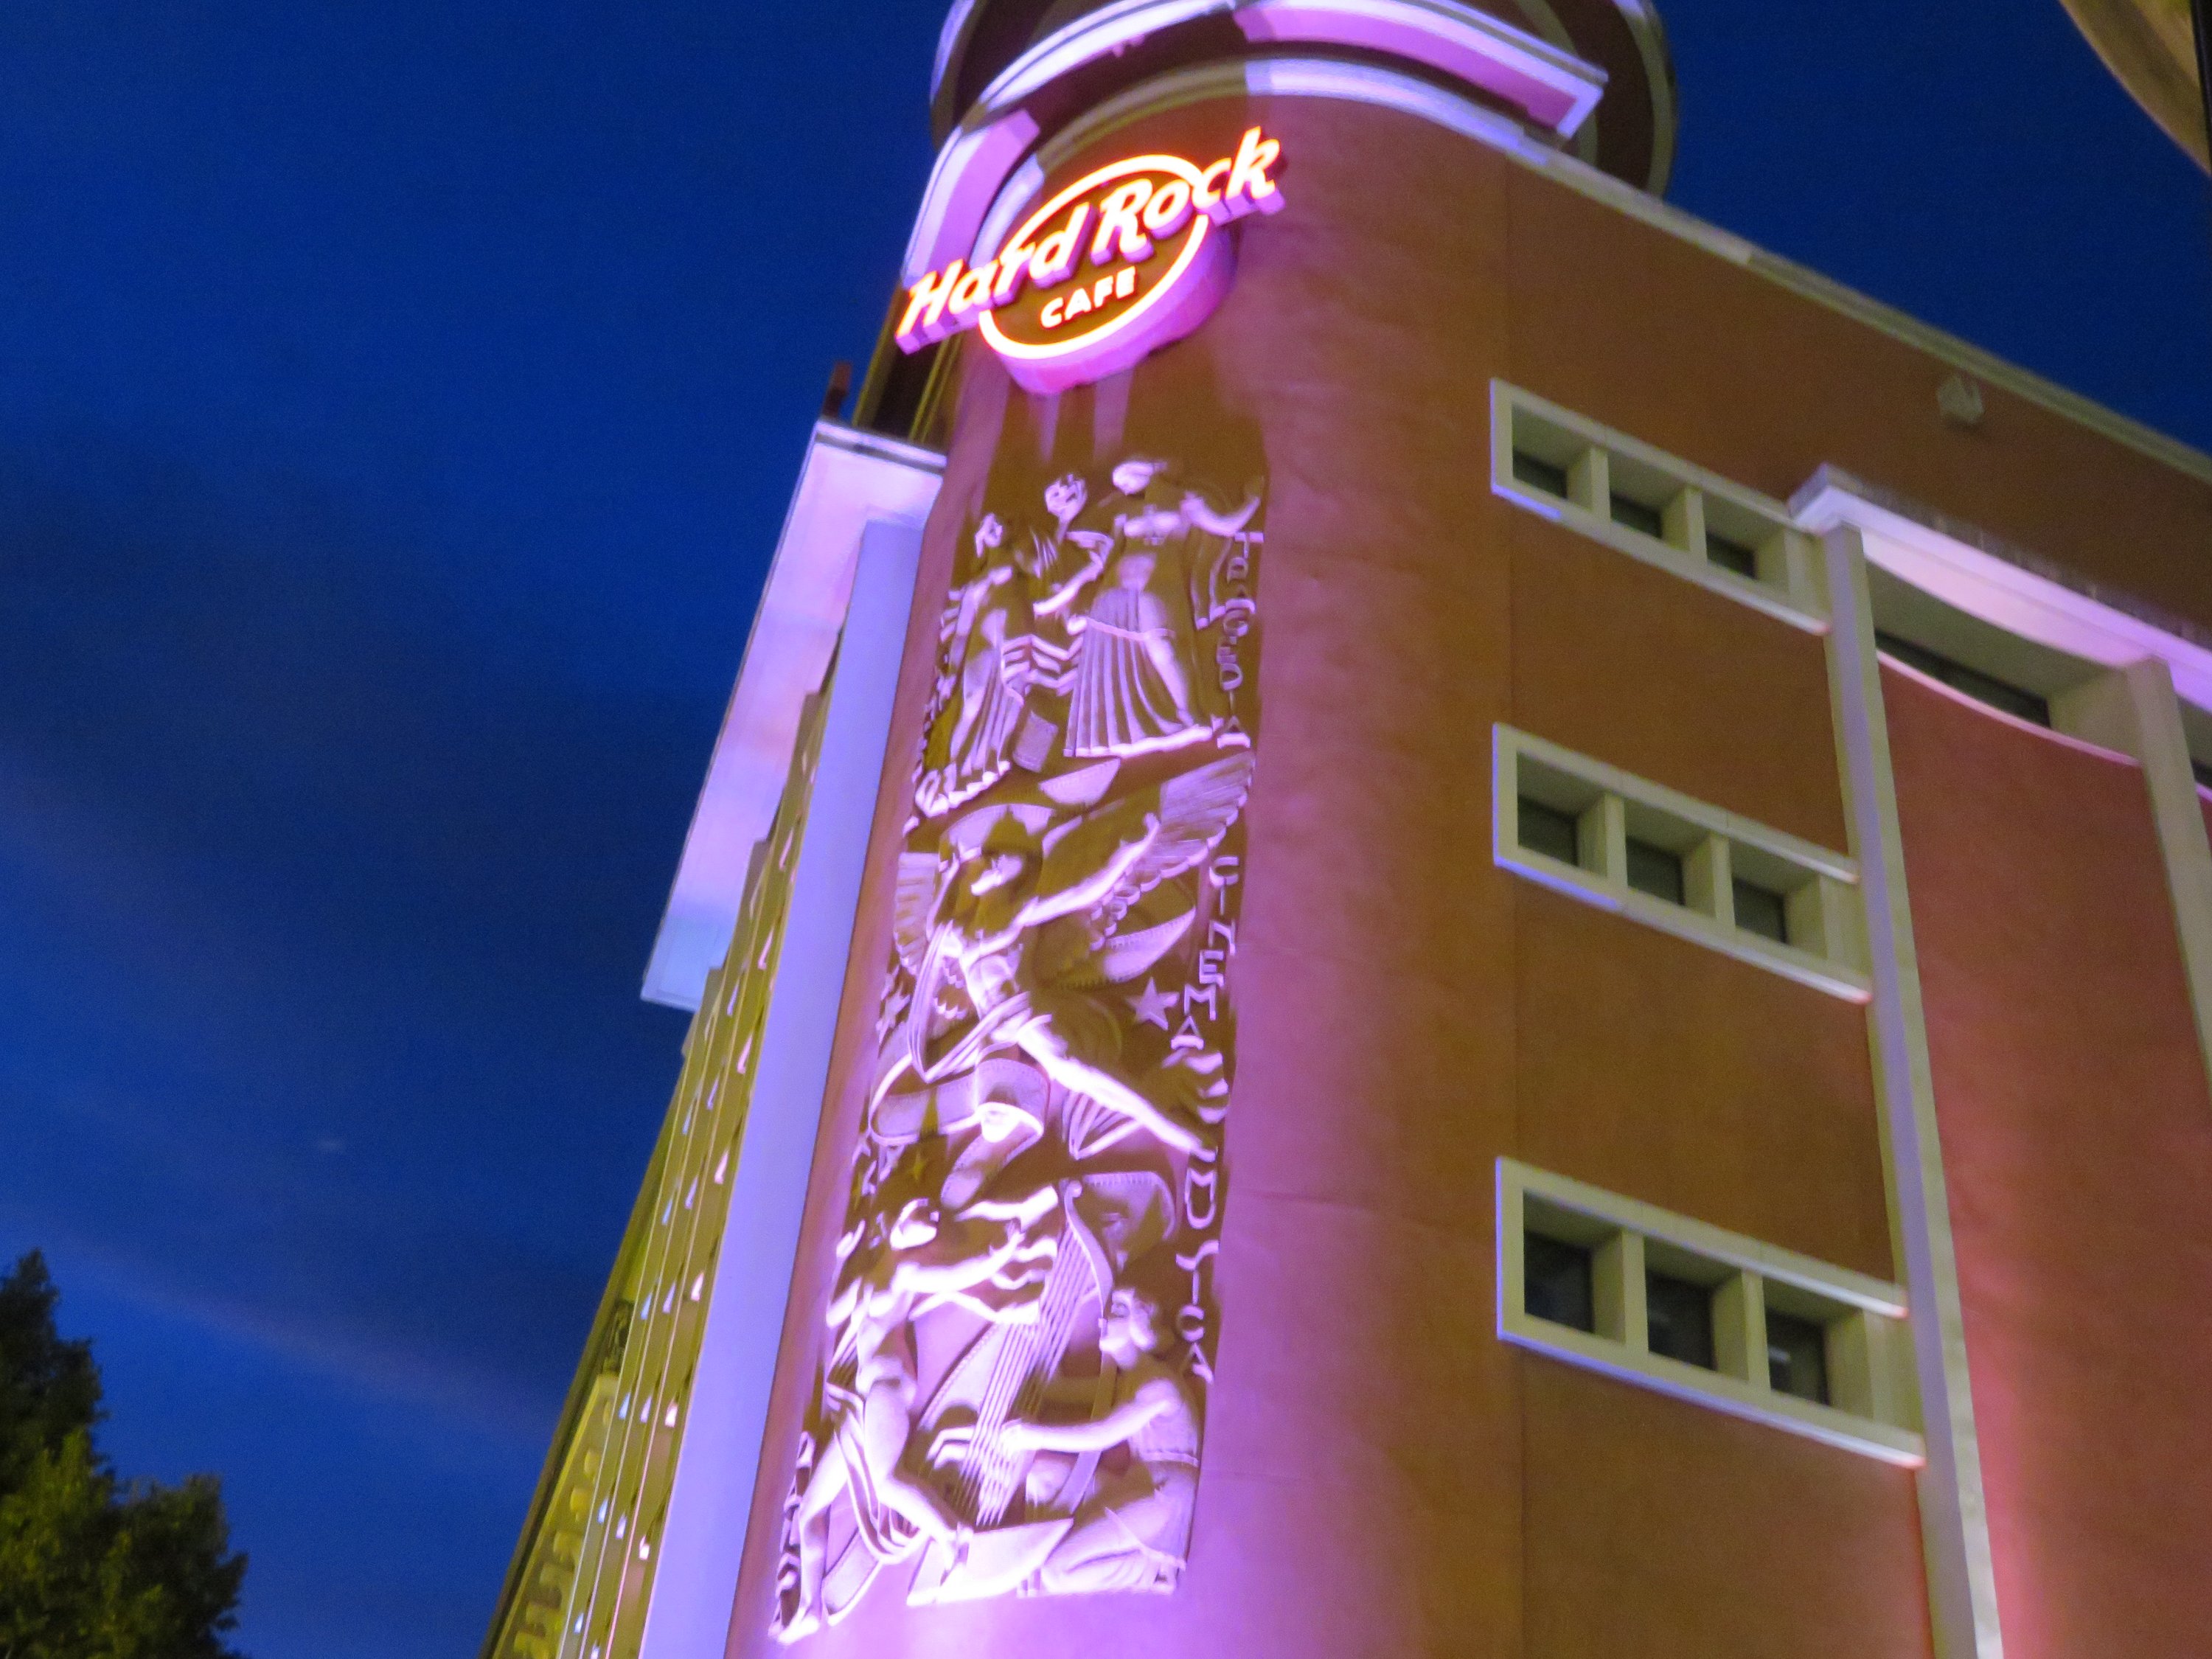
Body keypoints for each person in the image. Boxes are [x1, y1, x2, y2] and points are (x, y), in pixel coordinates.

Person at [782, 1196, 1053, 1641]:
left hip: (886, 1388)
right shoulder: (869, 1277)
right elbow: (833, 1313)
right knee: (811, 1508)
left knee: (888, 1481)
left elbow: (958, 1273)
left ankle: (952, 1535)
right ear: (897, 1221)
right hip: (860, 1403)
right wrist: (847, 1256)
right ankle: (811, 1607)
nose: (925, 1222)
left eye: (930, 1221)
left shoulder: (906, 1271)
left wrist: (999, 1253)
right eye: (919, 1214)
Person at [998, 1286, 1201, 1595]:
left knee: (1057, 1574)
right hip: (1135, 1481)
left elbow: (1101, 1434)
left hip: (1164, 1492)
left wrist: (1032, 1435)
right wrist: (1026, 1344)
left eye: (1117, 1311)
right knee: (1041, 1474)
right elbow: (1057, 1390)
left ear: (1139, 1324)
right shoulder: (1126, 1382)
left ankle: (1149, 1570)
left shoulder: (1157, 1385)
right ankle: (1037, 1554)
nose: (1103, 1319)